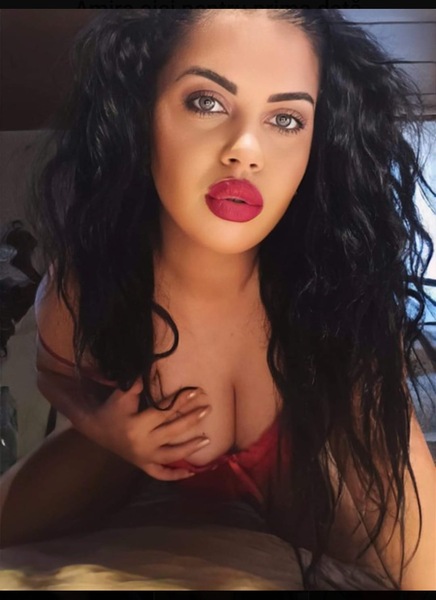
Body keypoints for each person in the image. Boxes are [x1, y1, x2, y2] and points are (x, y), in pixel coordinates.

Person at [0, 8, 435, 591]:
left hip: (289, 470)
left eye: (286, 119)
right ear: (141, 113)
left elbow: (395, 455)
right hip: (123, 463)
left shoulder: (339, 292)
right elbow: (52, 373)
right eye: (206, 102)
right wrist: (106, 430)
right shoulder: (89, 278)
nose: (245, 150)